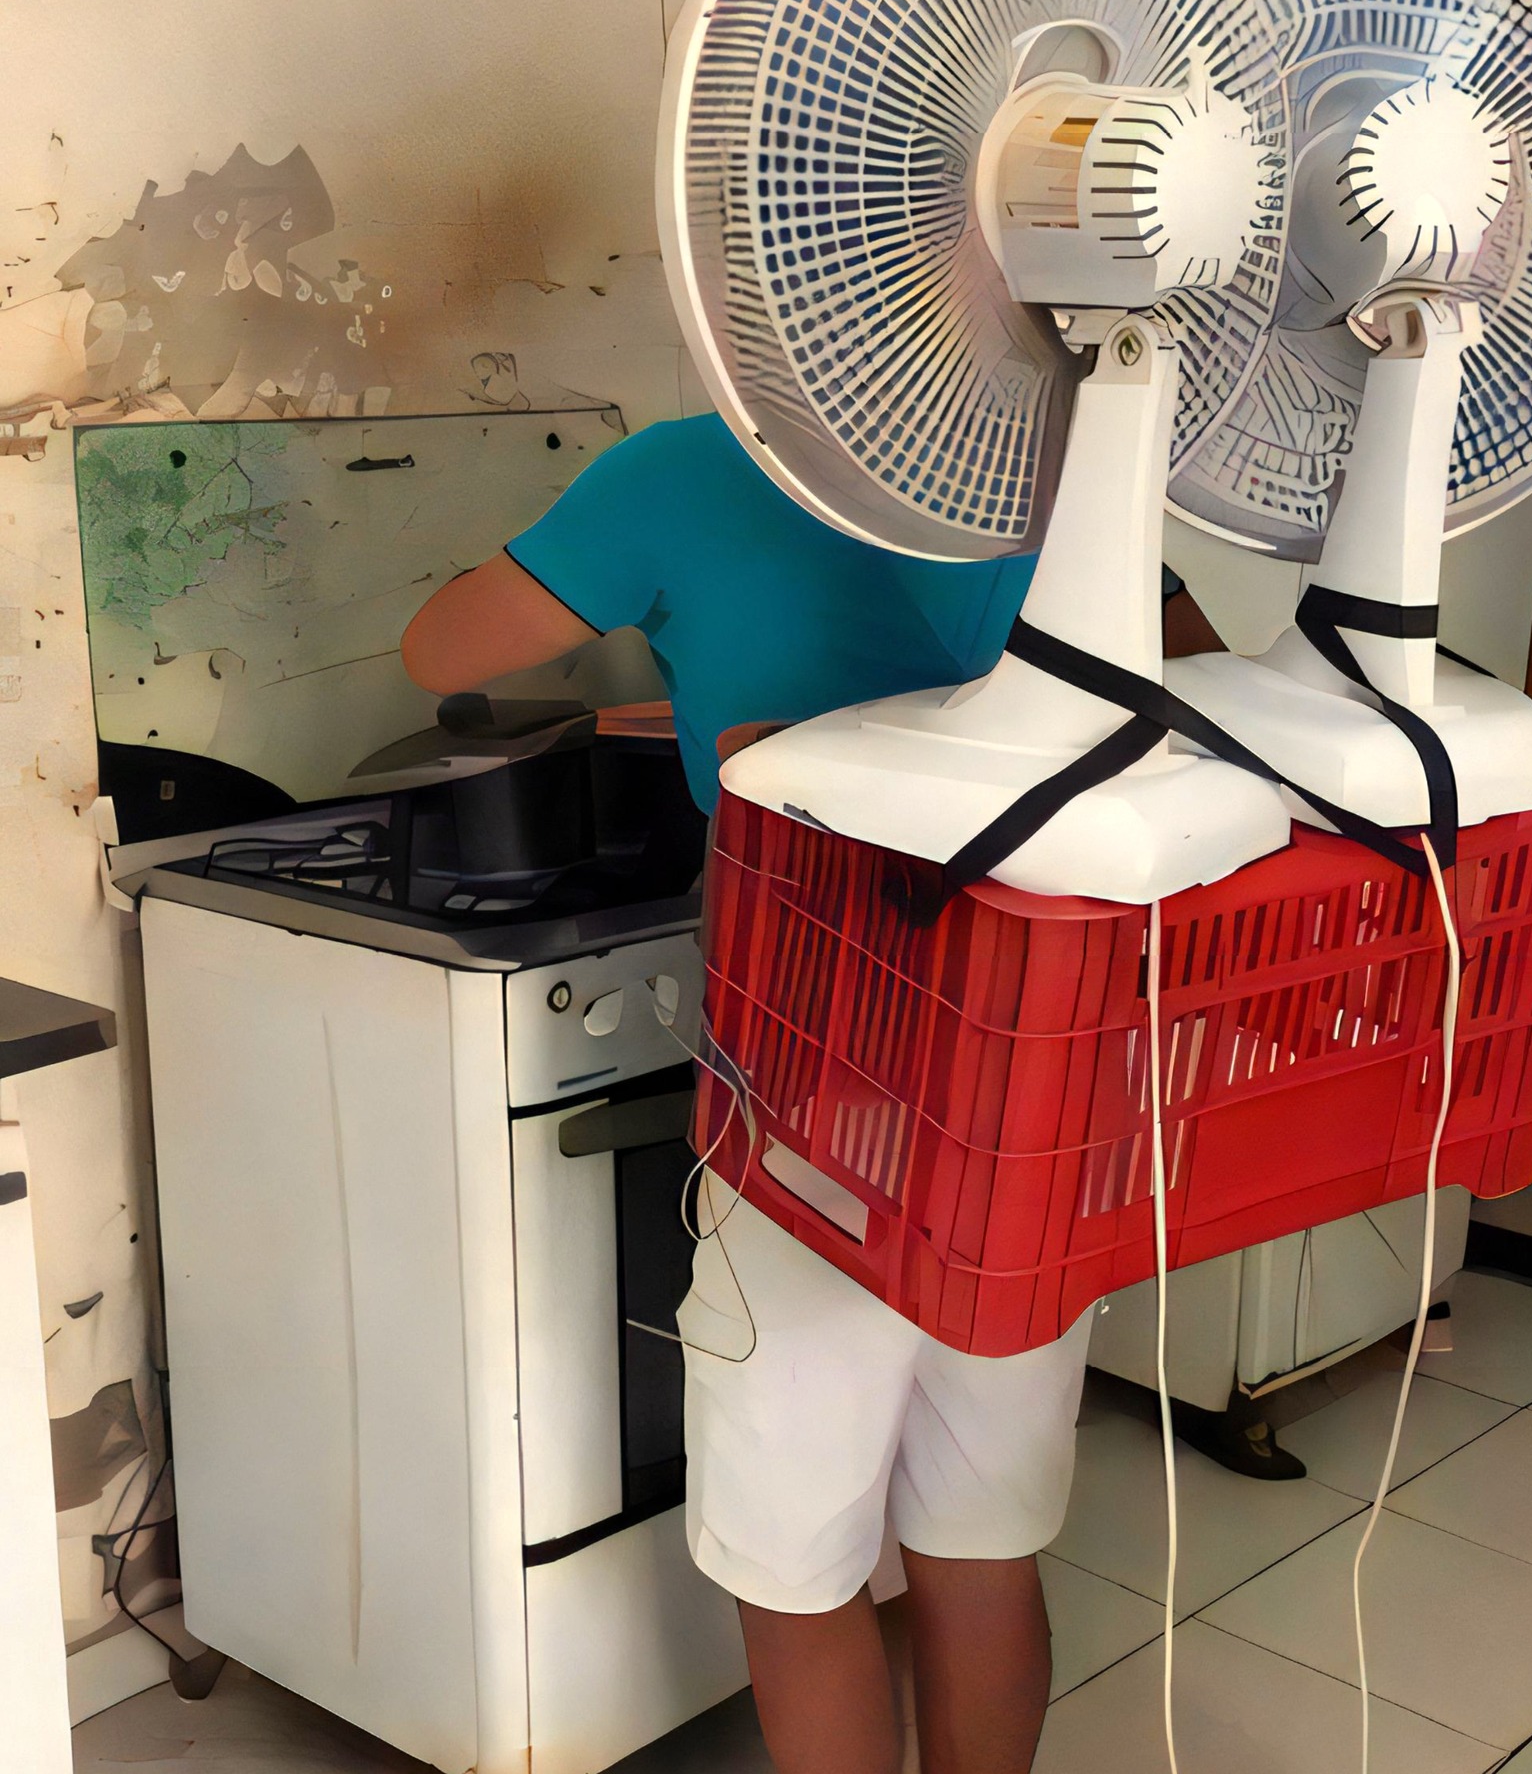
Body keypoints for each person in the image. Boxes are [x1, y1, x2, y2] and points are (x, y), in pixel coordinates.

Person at [401, 410, 1098, 1774]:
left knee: (796, 1567)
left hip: (815, 1088)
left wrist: (654, 599)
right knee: (981, 1539)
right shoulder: (1059, 468)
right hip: (1033, 1085)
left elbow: (442, 652)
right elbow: (1174, 697)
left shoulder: (685, 469)